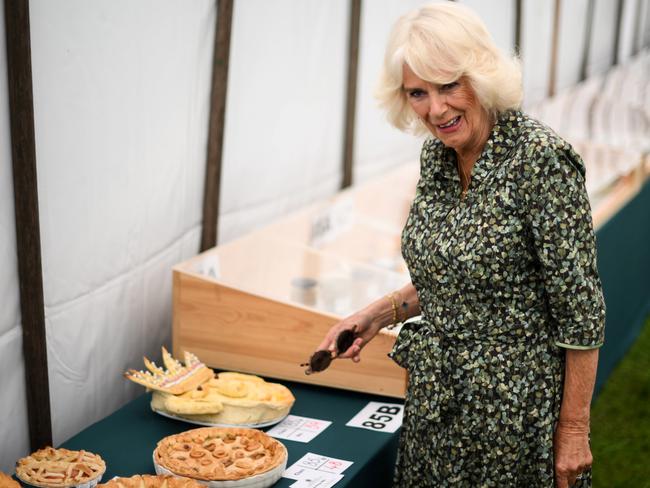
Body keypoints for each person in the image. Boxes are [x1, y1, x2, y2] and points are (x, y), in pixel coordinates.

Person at [314, 3, 605, 487]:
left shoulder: (541, 160)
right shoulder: (439, 155)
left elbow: (582, 312)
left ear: (483, 75)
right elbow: (457, 276)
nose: (436, 109)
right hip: (438, 407)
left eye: (449, 85)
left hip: (515, 417)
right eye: (417, 93)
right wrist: (377, 314)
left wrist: (573, 430)